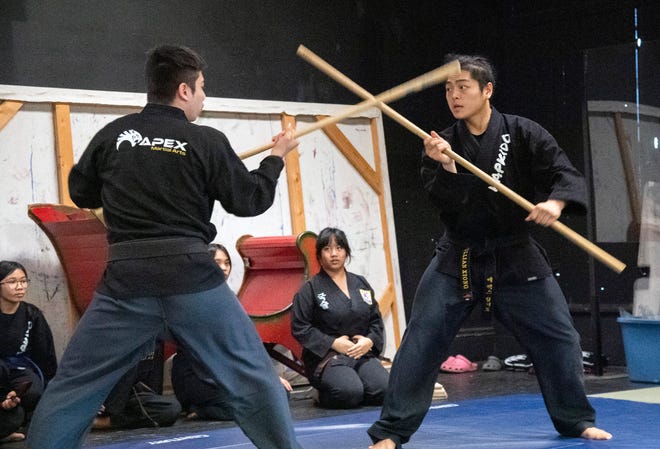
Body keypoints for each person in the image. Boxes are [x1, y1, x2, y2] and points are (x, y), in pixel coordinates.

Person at [25, 44, 303, 449]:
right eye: (203, 88)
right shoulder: (205, 141)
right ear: (184, 91)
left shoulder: (114, 135)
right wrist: (276, 157)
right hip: (192, 277)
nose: (205, 97)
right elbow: (251, 199)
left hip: (126, 282)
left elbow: (80, 191)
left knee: (74, 386)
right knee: (254, 377)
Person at [367, 54, 612, 448]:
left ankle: (576, 420)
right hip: (458, 256)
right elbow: (446, 206)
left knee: (560, 338)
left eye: (463, 87)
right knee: (421, 339)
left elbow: (563, 173)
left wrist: (556, 204)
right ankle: (391, 433)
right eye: (448, 88)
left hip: (515, 254)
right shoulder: (442, 144)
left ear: (487, 90)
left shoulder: (524, 132)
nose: (454, 95)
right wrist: (446, 168)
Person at [171, 243, 292, 421]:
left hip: (227, 374)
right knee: (258, 402)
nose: (224, 268)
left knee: (279, 394)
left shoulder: (229, 298)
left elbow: (244, 344)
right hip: (198, 376)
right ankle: (203, 410)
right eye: (217, 262)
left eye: (227, 263)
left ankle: (206, 408)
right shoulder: (190, 300)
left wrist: (268, 376)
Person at [291, 227, 389, 409]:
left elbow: (375, 320)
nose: (334, 254)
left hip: (360, 352)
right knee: (349, 392)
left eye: (339, 248)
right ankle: (321, 394)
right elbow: (300, 327)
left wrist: (369, 341)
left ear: (346, 252)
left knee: (384, 389)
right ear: (319, 255)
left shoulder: (360, 283)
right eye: (327, 249)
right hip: (327, 358)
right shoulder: (310, 289)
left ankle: (358, 388)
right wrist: (332, 343)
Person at [1, 261, 57, 443]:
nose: (20, 287)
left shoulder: (32, 315)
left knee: (30, 394)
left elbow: (45, 357)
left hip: (18, 370)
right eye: (12, 282)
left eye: (23, 281)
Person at [92, 341, 181, 430]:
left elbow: (151, 384)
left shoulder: (154, 340)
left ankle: (103, 422)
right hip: (98, 395)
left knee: (171, 409)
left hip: (129, 394)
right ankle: (97, 419)